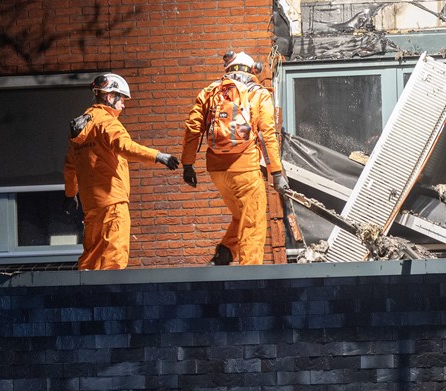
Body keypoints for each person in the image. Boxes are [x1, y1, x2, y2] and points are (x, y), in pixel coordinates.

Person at [181, 51, 287, 266]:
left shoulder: (210, 92)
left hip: (217, 171)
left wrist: (188, 164)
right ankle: (250, 275)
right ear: (252, 70)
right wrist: (276, 171)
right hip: (246, 169)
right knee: (253, 222)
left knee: (241, 214)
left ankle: (226, 252)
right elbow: (267, 134)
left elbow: (192, 128)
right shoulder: (258, 94)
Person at [63, 73, 179, 270]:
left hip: (91, 205)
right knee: (113, 259)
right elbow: (124, 147)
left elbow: (69, 166)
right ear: (110, 97)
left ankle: (85, 297)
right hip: (113, 202)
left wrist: (70, 194)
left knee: (90, 259)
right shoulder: (106, 122)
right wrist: (158, 156)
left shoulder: (81, 126)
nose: (123, 105)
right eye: (122, 99)